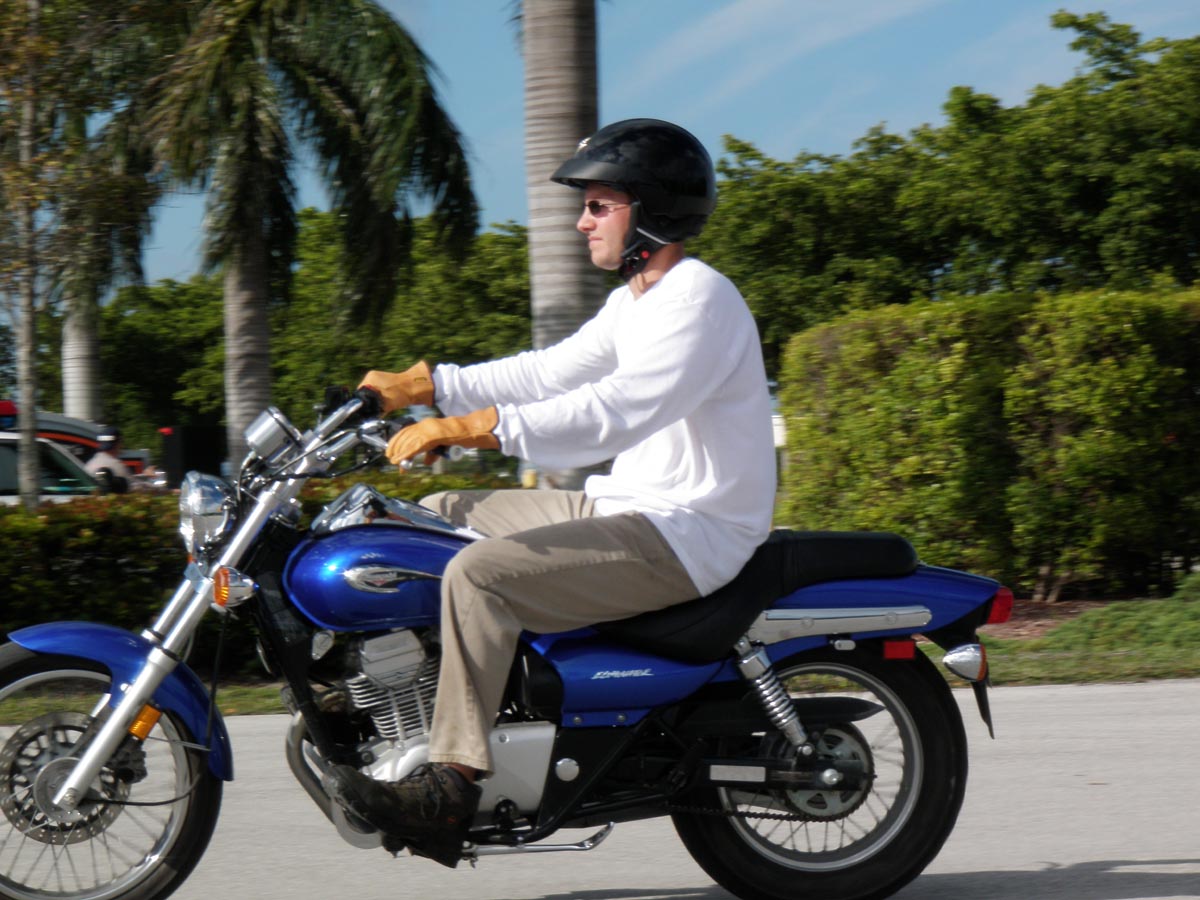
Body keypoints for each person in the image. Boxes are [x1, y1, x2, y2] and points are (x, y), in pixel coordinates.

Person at [324, 118, 777, 866]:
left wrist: (475, 428)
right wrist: (425, 384)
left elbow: (610, 413)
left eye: (599, 205)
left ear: (651, 208)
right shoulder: (637, 302)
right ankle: (401, 702)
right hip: (625, 506)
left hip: (686, 533)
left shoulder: (699, 300)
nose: (582, 221)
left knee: (478, 576)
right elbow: (549, 372)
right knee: (424, 522)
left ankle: (451, 785)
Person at [84, 426, 130, 493]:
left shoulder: (90, 464)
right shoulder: (116, 465)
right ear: (118, 443)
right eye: (121, 442)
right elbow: (133, 486)